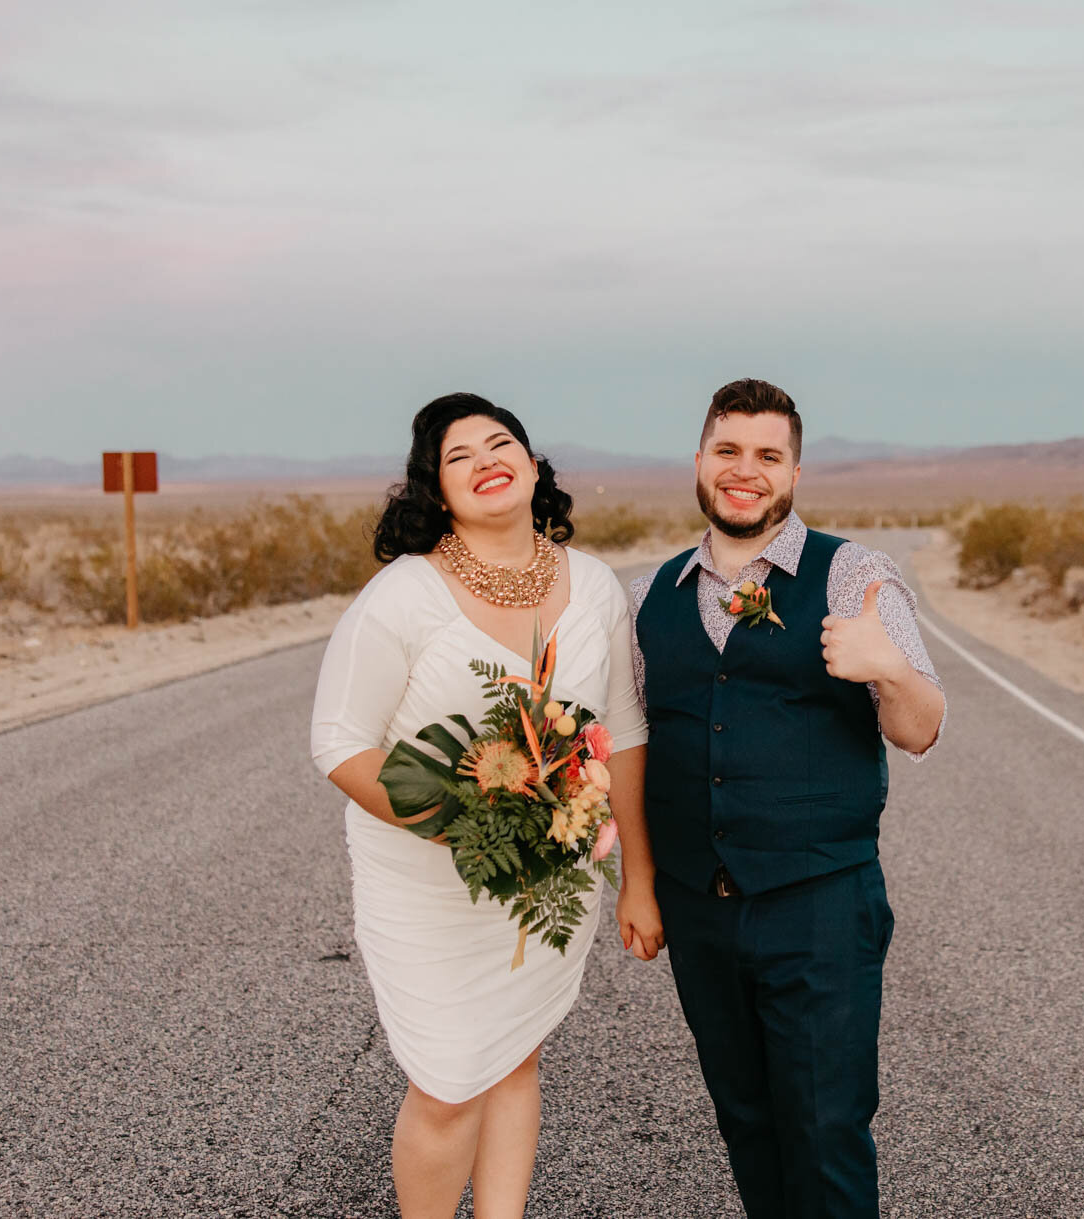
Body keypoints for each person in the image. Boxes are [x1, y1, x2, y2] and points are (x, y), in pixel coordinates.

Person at [309, 393, 649, 1219]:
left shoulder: (596, 585)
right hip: (426, 883)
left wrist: (638, 875)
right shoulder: (404, 595)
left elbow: (625, 734)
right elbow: (339, 741)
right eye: (459, 456)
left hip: (548, 878)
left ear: (534, 467)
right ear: (438, 489)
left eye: (501, 444)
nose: (486, 460)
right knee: (449, 1082)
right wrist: (464, 823)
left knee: (513, 1058)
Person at [615, 378, 946, 1218]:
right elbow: (637, 747)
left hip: (819, 905)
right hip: (701, 912)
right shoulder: (655, 594)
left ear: (793, 473)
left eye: (768, 455)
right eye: (728, 450)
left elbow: (920, 728)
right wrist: (641, 883)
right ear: (699, 462)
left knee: (825, 1128)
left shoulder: (854, 577)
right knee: (748, 1122)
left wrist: (891, 668)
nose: (745, 470)